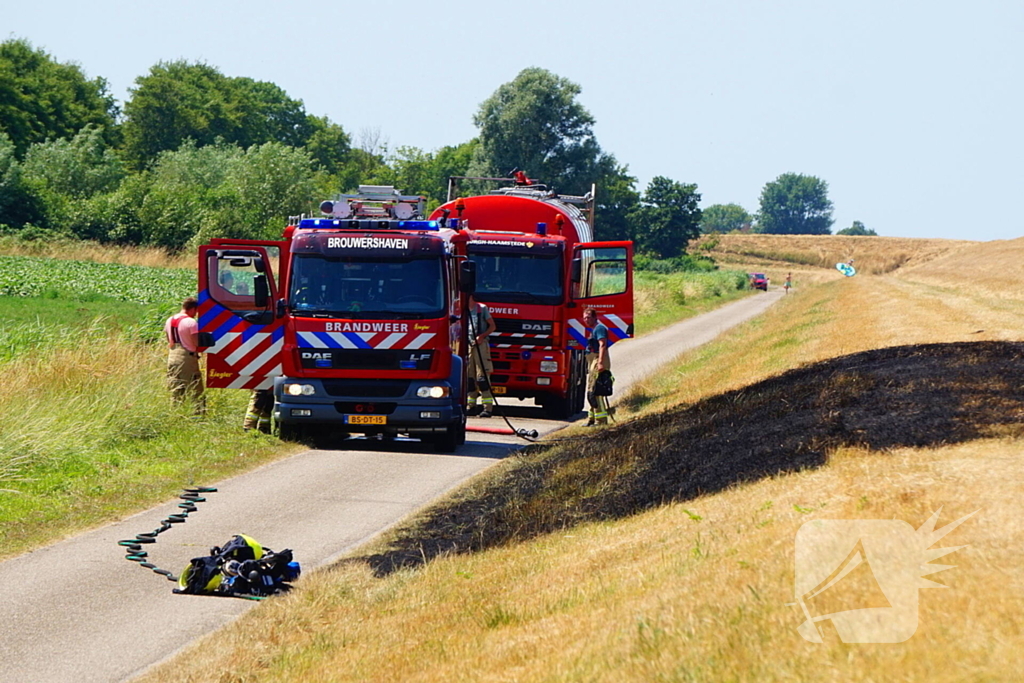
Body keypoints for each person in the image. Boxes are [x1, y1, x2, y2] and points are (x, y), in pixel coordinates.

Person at [165, 296, 205, 414]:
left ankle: (176, 414)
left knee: (176, 388)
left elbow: (169, 339)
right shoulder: (191, 322)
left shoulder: (169, 320)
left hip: (172, 357)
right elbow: (196, 342)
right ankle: (198, 415)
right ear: (192, 309)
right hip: (187, 357)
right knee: (196, 388)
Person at [466, 294, 497, 418]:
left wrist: (482, 336)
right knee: (470, 377)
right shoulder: (463, 310)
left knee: (482, 377)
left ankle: (487, 408)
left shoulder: (482, 308)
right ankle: (471, 406)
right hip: (468, 345)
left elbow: (493, 326)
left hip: (481, 346)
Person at [583, 307, 612, 426]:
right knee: (591, 391)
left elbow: (602, 344)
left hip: (597, 360)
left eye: (589, 317)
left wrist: (600, 362)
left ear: (595, 317)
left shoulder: (599, 328)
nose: (586, 320)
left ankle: (601, 421)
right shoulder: (593, 329)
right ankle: (592, 419)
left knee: (596, 391)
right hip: (592, 360)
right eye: (585, 317)